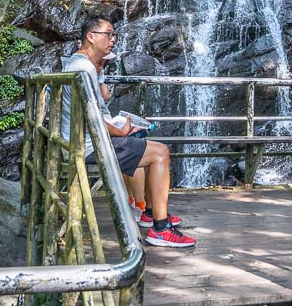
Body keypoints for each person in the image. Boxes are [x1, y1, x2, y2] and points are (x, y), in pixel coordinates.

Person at [60, 16, 195, 248]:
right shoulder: (82, 68)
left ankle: (151, 214)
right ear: (91, 37)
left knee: (146, 143)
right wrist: (120, 131)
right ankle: (160, 229)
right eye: (108, 34)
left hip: (85, 140)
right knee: (160, 152)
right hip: (89, 145)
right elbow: (90, 116)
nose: (112, 40)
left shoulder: (84, 65)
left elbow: (97, 105)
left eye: (113, 35)